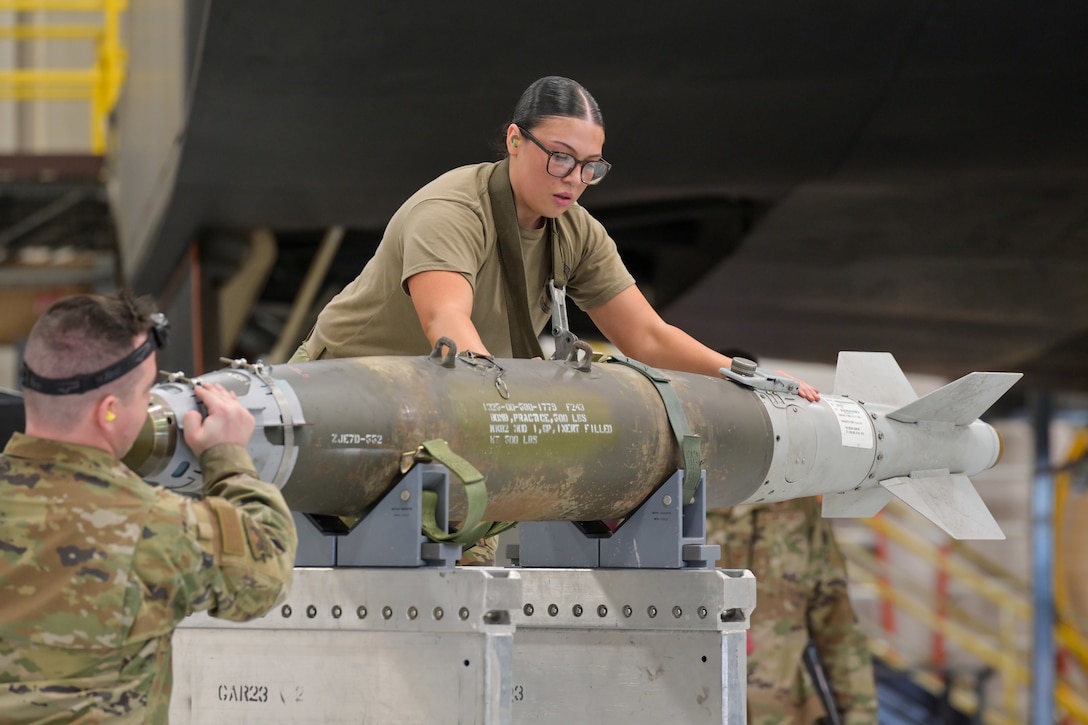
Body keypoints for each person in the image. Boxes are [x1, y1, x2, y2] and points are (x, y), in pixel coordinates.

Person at [291, 75, 818, 563]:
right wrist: (501, 422)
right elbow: (446, 320)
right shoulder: (451, 209)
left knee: (459, 611)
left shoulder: (576, 233)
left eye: (592, 166)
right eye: (562, 158)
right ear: (516, 140)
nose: (577, 180)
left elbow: (647, 335)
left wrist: (748, 380)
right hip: (348, 409)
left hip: (448, 429)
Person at [0, 289, 298, 723]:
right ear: (108, 412)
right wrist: (229, 458)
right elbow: (265, 573)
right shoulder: (154, 525)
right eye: (146, 394)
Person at [707, 498, 880, 724]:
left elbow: (836, 620)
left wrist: (860, 716)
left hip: (787, 711)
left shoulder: (797, 505)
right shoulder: (675, 497)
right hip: (695, 707)